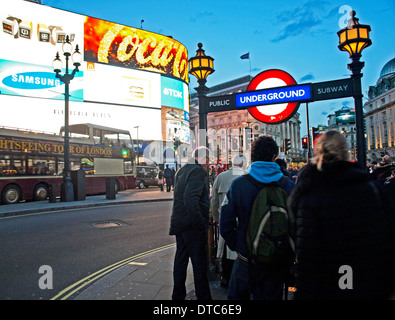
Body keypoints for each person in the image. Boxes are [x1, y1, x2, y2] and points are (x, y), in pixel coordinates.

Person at [288, 130, 395, 300]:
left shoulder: (310, 195)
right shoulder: (373, 189)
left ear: (318, 152)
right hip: (371, 284)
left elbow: (308, 258)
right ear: (345, 153)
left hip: (328, 287)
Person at [220, 136, 295, 300]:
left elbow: (225, 225)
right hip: (276, 261)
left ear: (252, 156)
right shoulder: (289, 187)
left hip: (247, 260)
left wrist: (240, 247)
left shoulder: (239, 185)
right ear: (274, 157)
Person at [169, 146, 212, 300]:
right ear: (203, 159)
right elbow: (190, 200)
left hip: (179, 223)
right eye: (208, 160)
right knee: (199, 265)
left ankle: (178, 296)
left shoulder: (182, 170)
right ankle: (204, 298)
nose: (208, 164)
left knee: (180, 261)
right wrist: (200, 223)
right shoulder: (197, 171)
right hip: (192, 227)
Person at [211, 154, 248, 288]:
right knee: (240, 254)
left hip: (224, 221)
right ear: (244, 163)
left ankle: (225, 279)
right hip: (242, 224)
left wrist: (216, 219)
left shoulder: (221, 177)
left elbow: (214, 201)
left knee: (226, 253)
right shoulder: (247, 177)